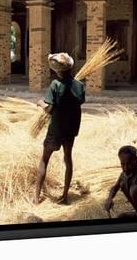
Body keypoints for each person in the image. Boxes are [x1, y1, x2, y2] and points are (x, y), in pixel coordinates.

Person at [33, 53, 85, 205]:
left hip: (56, 129)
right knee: (68, 159)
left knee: (44, 159)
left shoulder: (55, 84)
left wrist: (40, 103)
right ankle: (65, 195)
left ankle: (36, 198)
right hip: (71, 129)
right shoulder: (79, 85)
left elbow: (49, 109)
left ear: (56, 71)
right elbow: (79, 101)